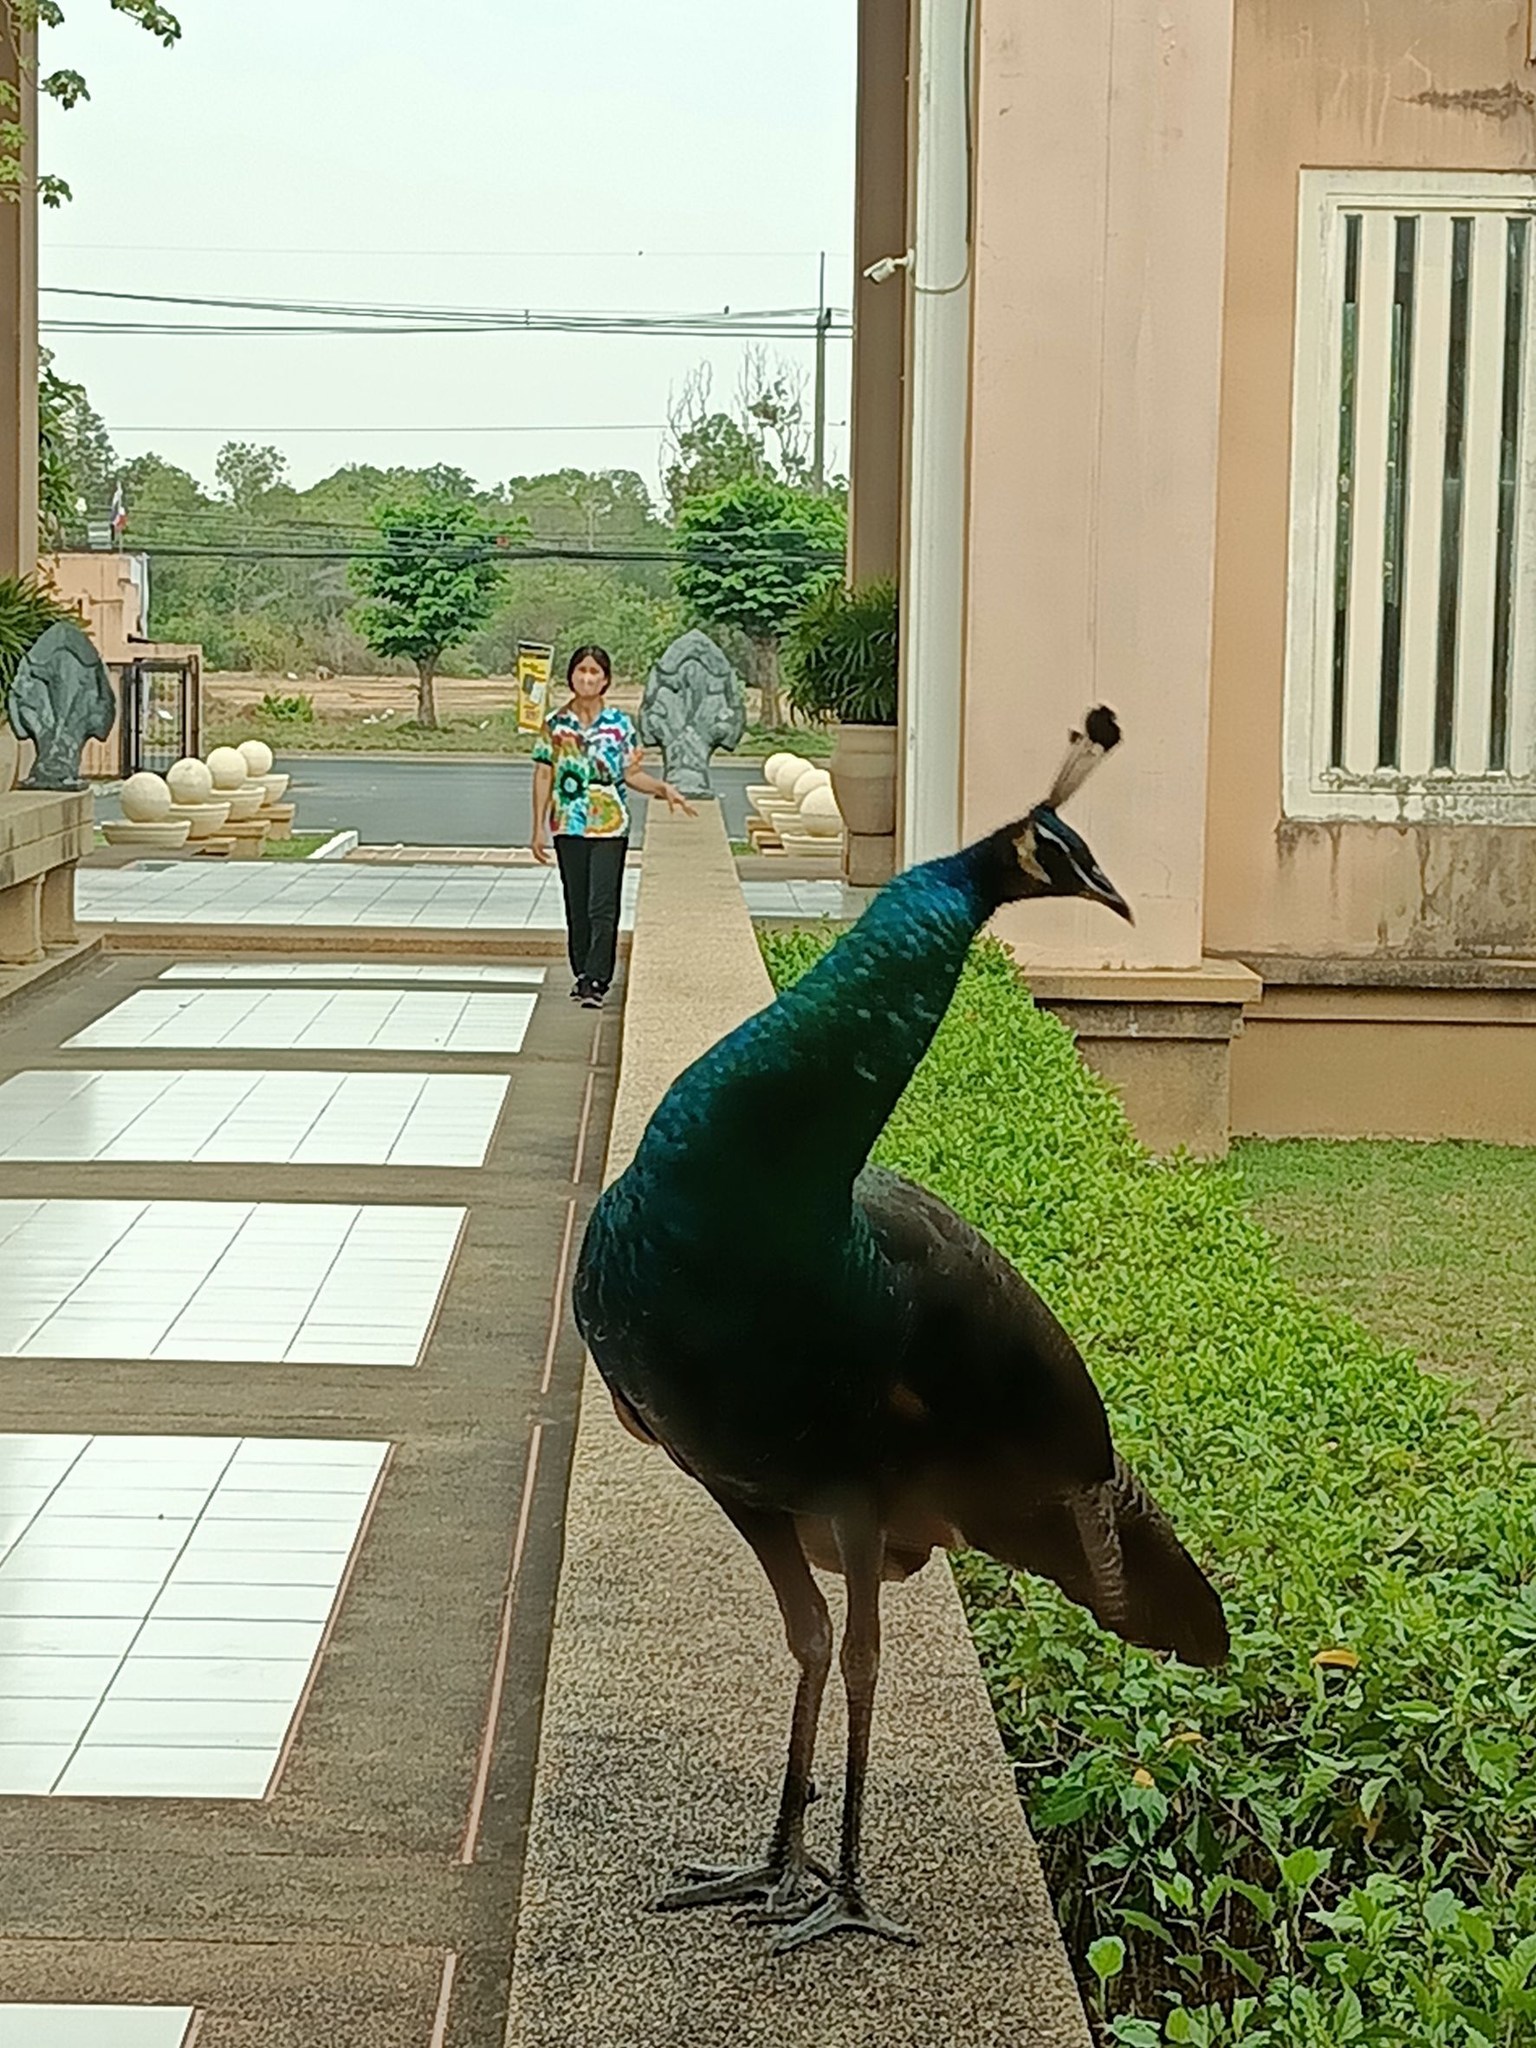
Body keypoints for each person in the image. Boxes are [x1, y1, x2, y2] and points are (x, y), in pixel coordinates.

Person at [531, 645, 696, 1009]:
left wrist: (662, 788)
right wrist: (537, 826)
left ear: (606, 680)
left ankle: (597, 978)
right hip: (569, 823)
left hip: (610, 825)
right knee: (576, 903)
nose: (587, 678)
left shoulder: (620, 725)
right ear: (571, 676)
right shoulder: (555, 724)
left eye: (595, 672)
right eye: (581, 670)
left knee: (602, 904)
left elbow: (631, 774)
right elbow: (544, 774)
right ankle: (581, 972)